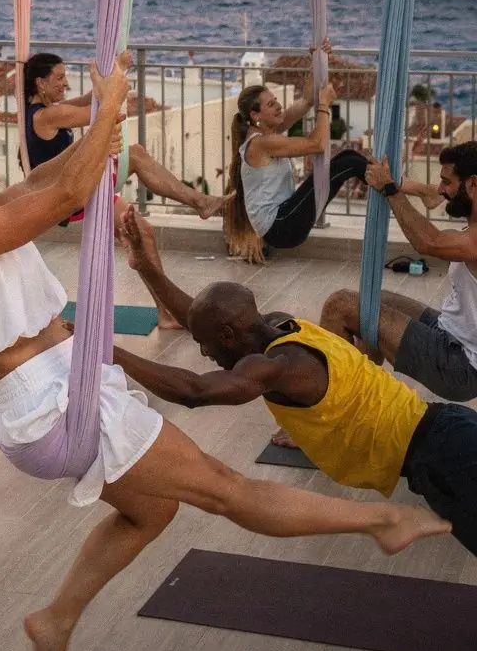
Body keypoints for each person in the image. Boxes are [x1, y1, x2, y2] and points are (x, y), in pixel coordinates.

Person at [0, 61, 447, 651]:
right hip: (52, 406)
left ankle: (56, 618)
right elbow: (64, 199)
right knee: (224, 488)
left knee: (151, 510)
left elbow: (48, 179)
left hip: (56, 394)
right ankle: (381, 524)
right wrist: (112, 104)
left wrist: (100, 127)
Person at [104, 220, 470, 554]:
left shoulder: (276, 367)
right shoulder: (280, 324)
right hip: (442, 435)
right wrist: (148, 268)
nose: (203, 352)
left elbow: (194, 392)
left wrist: (109, 352)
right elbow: (199, 317)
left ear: (229, 336)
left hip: (440, 456)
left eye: (205, 345)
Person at [24, 51, 231, 328]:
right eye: (59, 78)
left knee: (142, 233)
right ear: (40, 83)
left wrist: (108, 74)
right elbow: (104, 111)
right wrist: (111, 73)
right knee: (135, 155)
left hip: (83, 187)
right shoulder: (49, 116)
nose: (65, 84)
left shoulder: (48, 111)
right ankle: (200, 202)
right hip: (73, 196)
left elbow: (93, 100)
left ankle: (166, 312)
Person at [320, 142, 477, 403]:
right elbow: (434, 202)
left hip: (460, 365)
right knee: (371, 302)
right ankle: (354, 401)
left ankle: (327, 411)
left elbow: (430, 242)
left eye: (447, 182)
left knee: (339, 305)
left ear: (472, 184)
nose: (441, 189)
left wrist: (390, 189)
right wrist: (403, 184)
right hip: (449, 330)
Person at [224, 49, 368, 262]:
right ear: (255, 115)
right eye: (271, 104)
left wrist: (318, 59)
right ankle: (394, 187)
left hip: (284, 218)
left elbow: (307, 101)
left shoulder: (269, 131)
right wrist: (325, 106)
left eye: (276, 100)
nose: (279, 106)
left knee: (348, 158)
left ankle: (388, 185)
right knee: (347, 161)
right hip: (281, 225)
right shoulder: (262, 143)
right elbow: (317, 144)